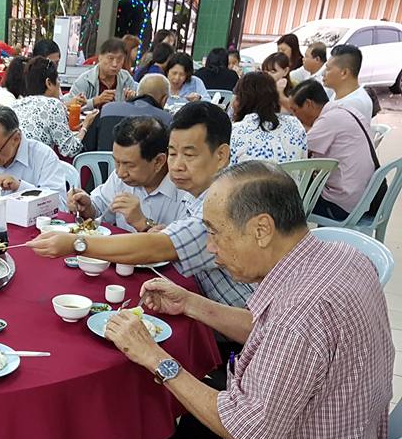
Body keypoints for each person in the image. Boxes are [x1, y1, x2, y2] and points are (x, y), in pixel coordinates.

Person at [79, 161, 391, 439]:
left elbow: (247, 430)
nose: (210, 248)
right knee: (169, 423)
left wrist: (156, 358)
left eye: (215, 233)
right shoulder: (335, 257)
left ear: (262, 228)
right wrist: (192, 304)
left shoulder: (300, 313)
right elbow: (266, 330)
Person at [28, 102, 254, 308]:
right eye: (173, 153)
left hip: (246, 320)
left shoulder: (224, 202)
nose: (177, 165)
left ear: (221, 155)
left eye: (189, 155)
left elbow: (158, 247)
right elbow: (161, 238)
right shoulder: (195, 193)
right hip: (205, 302)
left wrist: (76, 243)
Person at [70, 117, 192, 232]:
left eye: (130, 165)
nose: (120, 173)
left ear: (158, 161)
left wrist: (143, 223)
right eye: (117, 162)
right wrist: (86, 207)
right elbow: (99, 210)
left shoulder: (187, 191)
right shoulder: (121, 178)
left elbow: (182, 243)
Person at [290, 79, 376, 221]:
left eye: (294, 110)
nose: (295, 116)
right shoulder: (344, 110)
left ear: (308, 104)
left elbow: (297, 150)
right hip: (363, 197)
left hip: (341, 206)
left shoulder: (328, 120)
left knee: (286, 199)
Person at [12, 56, 97, 159]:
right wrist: (85, 126)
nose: (59, 84)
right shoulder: (53, 104)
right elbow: (70, 150)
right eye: (58, 79)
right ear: (48, 83)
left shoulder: (16, 104)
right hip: (35, 164)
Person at [229, 71, 306, 165]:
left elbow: (227, 169)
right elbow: (304, 162)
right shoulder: (295, 124)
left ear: (242, 100)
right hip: (291, 175)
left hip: (251, 175)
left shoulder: (235, 131)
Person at [82, 74, 173, 153]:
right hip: (141, 168)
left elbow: (87, 147)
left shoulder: (107, 109)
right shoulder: (167, 120)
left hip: (100, 167)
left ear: (138, 93)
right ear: (164, 99)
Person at [65, 37, 136, 107]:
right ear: (100, 57)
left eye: (119, 59)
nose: (115, 64)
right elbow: (70, 106)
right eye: (110, 58)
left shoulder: (126, 78)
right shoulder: (85, 80)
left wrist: (132, 99)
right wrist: (95, 101)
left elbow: (138, 100)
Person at [323, 44, 373, 119]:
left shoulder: (353, 104)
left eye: (328, 69)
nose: (323, 73)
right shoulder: (339, 93)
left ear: (344, 73)